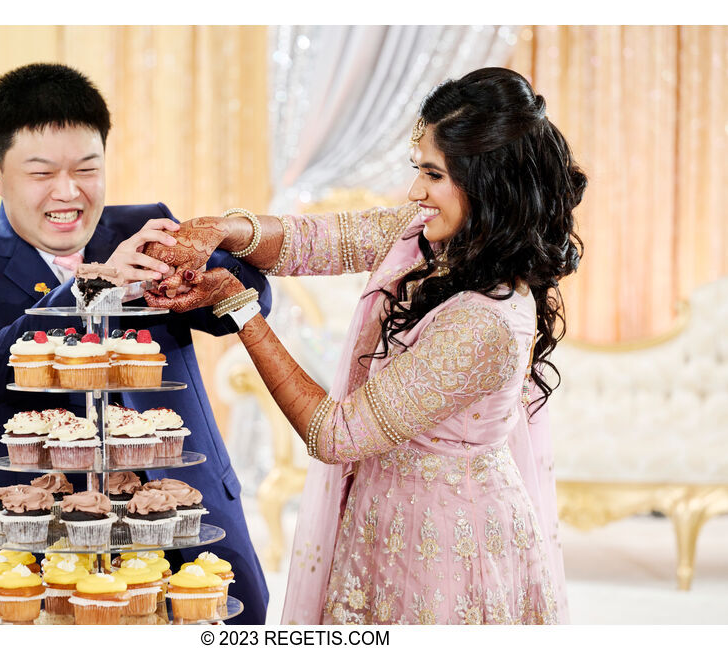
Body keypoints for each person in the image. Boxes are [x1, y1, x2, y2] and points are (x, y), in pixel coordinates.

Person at [144, 67, 585, 624]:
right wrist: (222, 230)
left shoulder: (484, 323)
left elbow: (336, 432)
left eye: (433, 174)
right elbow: (321, 240)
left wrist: (239, 307)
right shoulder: (441, 237)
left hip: (449, 548)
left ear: (488, 183)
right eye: (416, 169)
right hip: (380, 517)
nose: (415, 191)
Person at [0, 63, 271, 624]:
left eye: (87, 168)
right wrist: (86, 287)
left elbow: (246, 309)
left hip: (184, 510)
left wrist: (207, 277)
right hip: (39, 526)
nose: (68, 192)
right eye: (41, 173)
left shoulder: (148, 226)